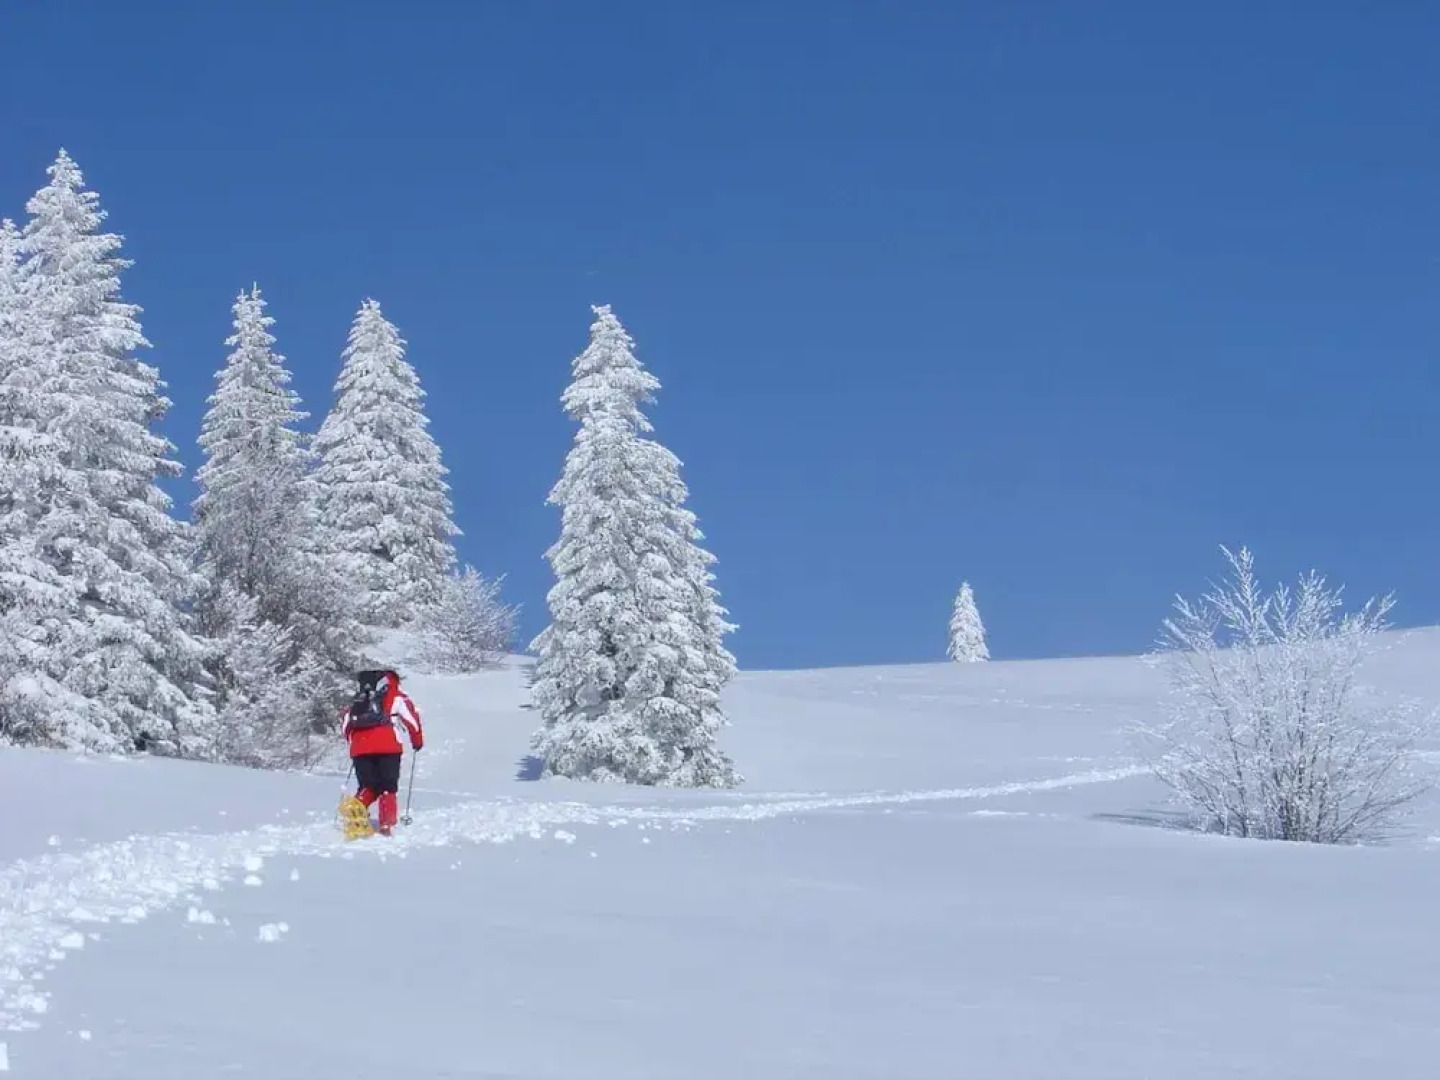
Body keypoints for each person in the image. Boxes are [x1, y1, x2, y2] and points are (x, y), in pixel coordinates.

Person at [340, 668, 424, 835]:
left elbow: (346, 726)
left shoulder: (360, 698)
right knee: (388, 785)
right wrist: (417, 741)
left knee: (368, 785)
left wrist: (355, 743)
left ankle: (358, 806)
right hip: (388, 746)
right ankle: (386, 824)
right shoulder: (396, 696)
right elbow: (411, 720)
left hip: (360, 747)